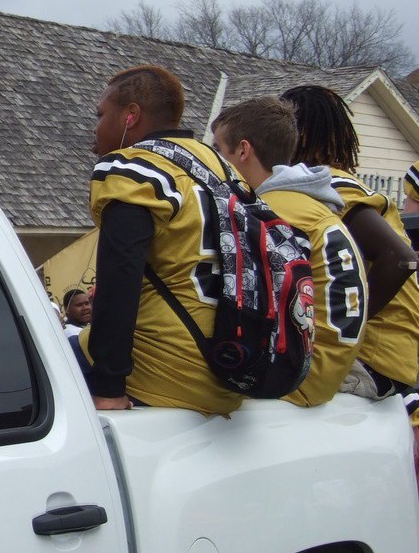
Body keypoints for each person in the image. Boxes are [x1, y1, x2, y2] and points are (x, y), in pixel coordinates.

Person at [80, 65, 242, 414]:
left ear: (130, 116)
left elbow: (119, 280)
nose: (95, 128)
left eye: (100, 115)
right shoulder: (219, 166)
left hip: (163, 369)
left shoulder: (134, 167)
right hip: (232, 367)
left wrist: (108, 387)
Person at [211, 97, 367, 406]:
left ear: (243, 150)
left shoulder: (273, 212)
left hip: (300, 378)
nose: (212, 159)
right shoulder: (307, 203)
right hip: (328, 363)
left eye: (218, 150)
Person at [279, 86, 419, 402]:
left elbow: (400, 259)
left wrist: (347, 324)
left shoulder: (330, 189)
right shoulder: (337, 181)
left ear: (297, 133)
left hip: (371, 359)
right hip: (390, 358)